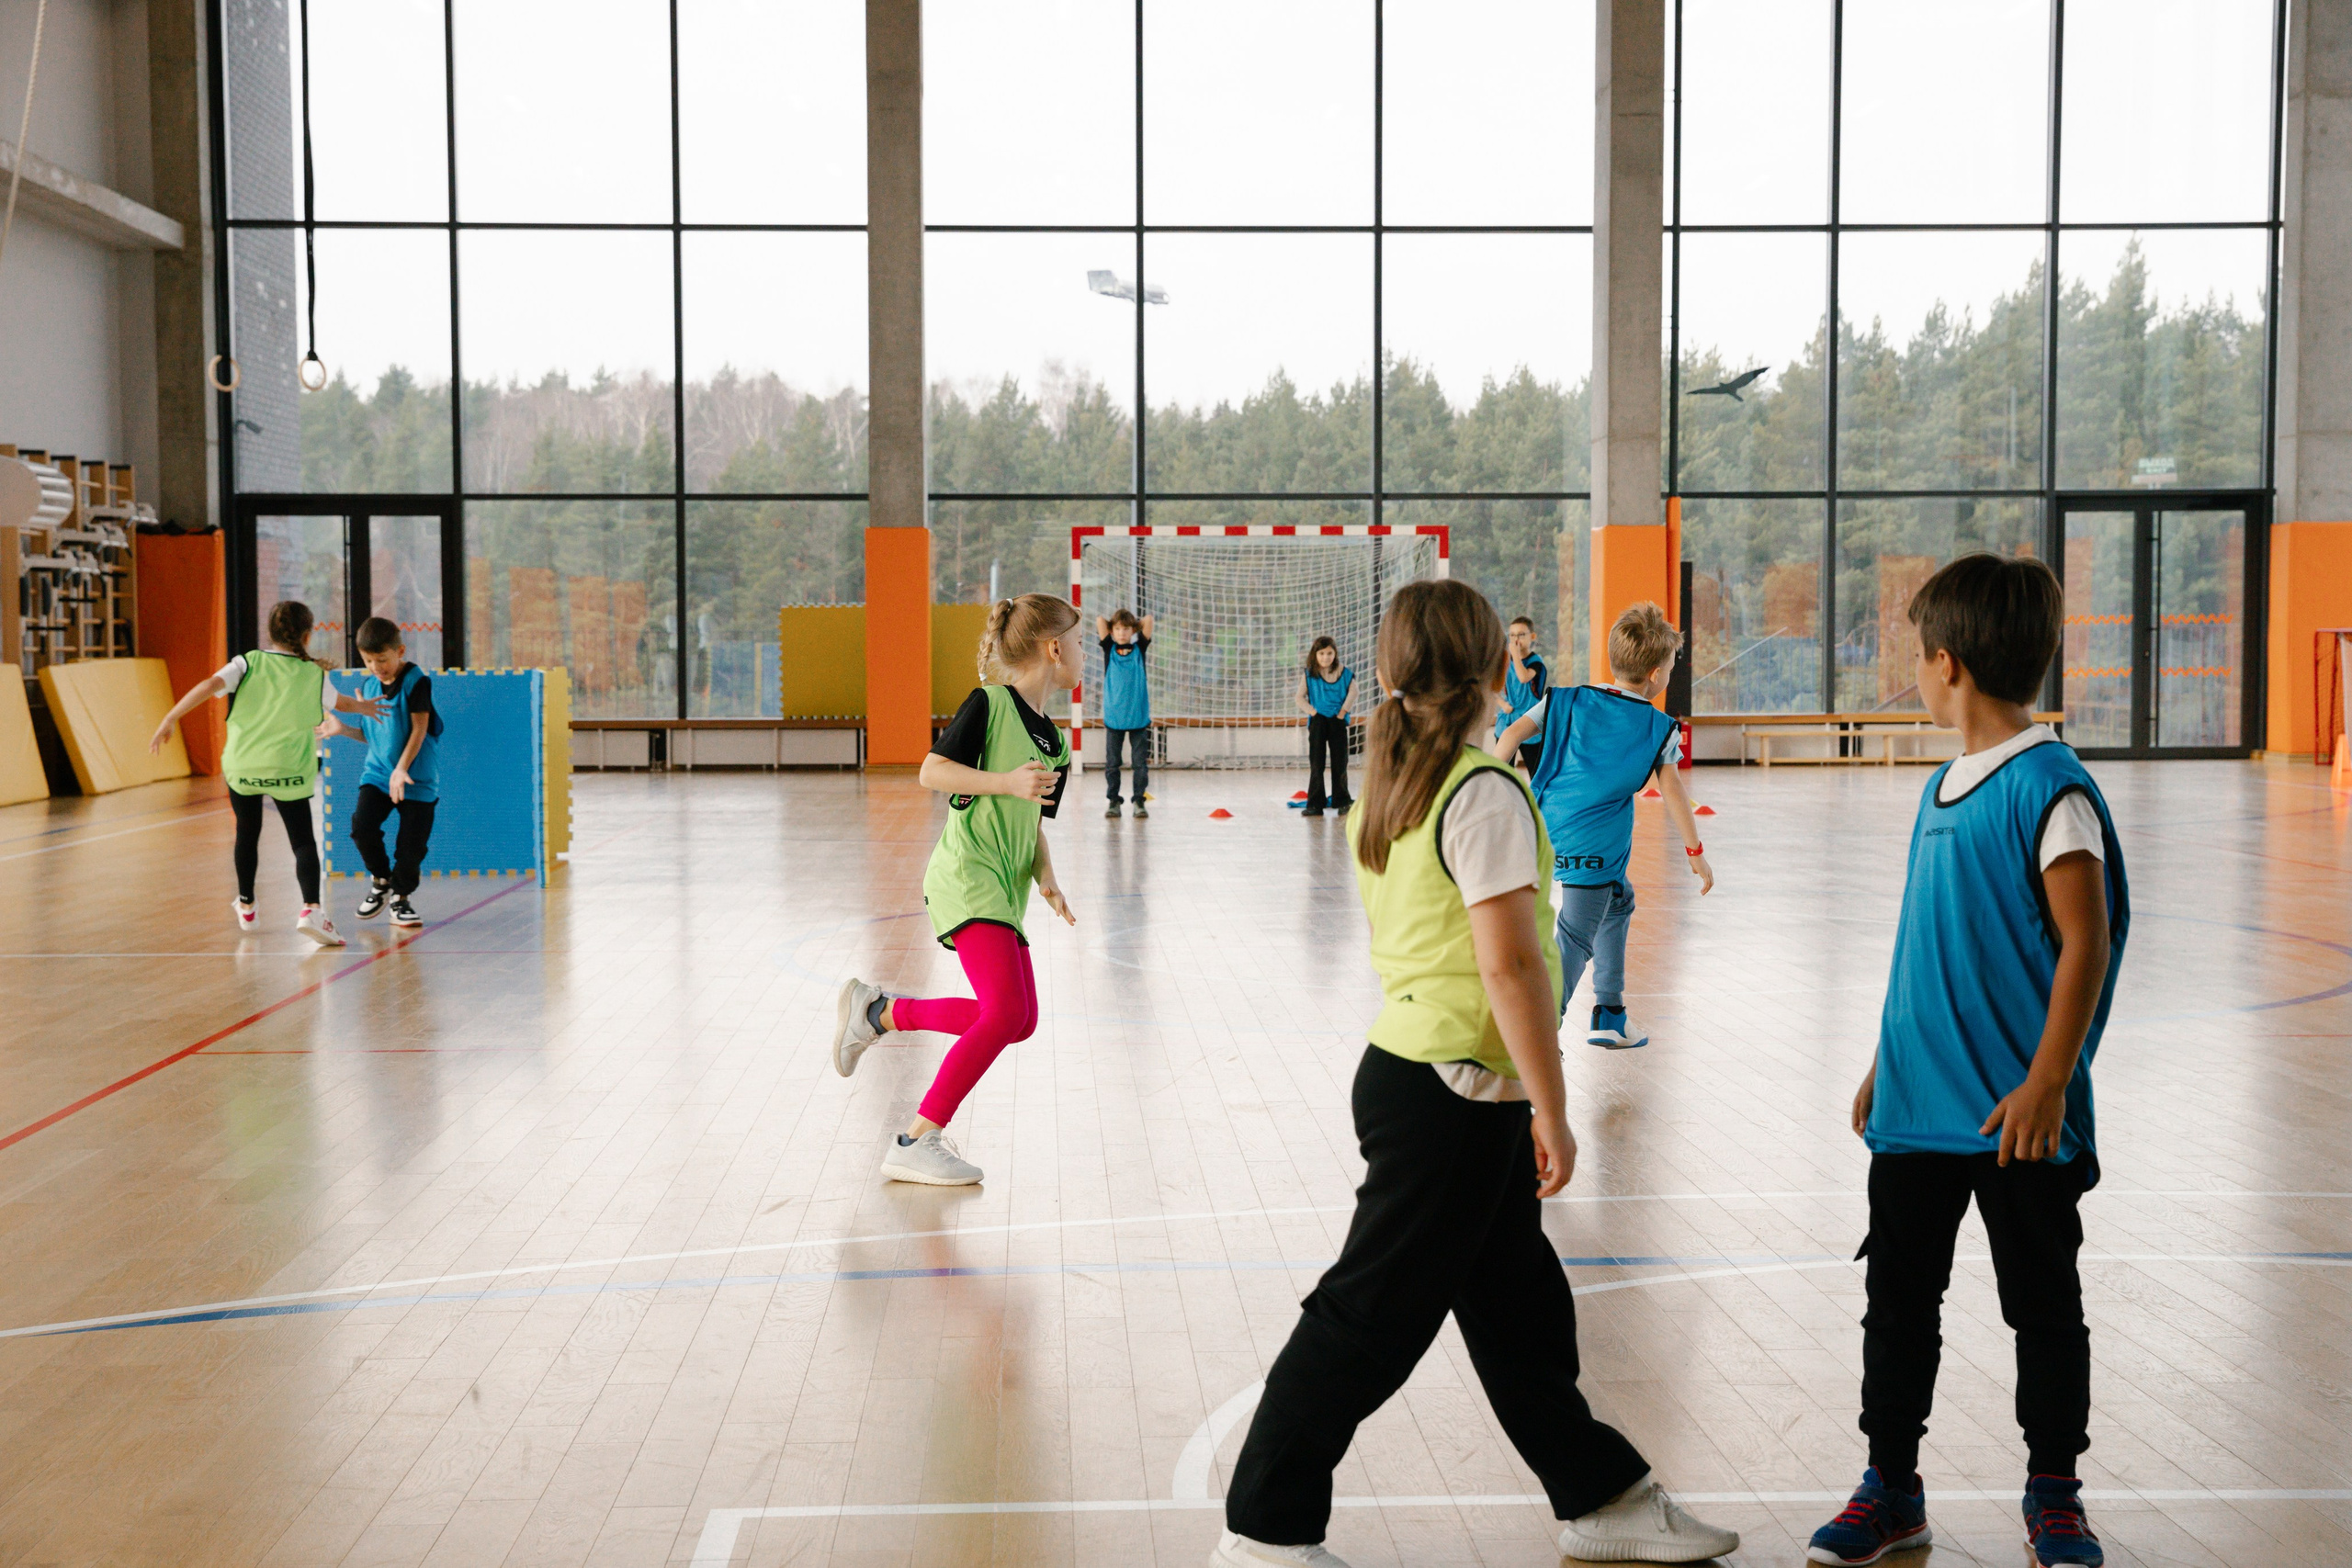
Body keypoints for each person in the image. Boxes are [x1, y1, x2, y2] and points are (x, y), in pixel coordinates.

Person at [1211, 580, 1737, 1568]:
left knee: (1518, 1308)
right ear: (1498, 669)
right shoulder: (1479, 790)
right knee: (1369, 1315)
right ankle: (1265, 1530)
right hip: (1448, 1087)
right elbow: (1510, 965)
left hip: (1430, 1076)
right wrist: (1554, 1104)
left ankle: (1600, 1494)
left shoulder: (1408, 775)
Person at [1807, 555, 2128, 1568]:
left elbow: (2090, 939)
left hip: (2015, 1114)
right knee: (1899, 1304)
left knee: (2042, 1306)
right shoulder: (1940, 787)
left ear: (1945, 665)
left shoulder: (2049, 789)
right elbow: (1923, 941)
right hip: (1915, 1106)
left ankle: (2054, 1492)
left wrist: (2045, 1080)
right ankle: (1890, 1488)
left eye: (1916, 654)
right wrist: (1881, 1059)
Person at [829, 593, 1080, 1187]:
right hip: (967, 875)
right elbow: (931, 771)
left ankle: (879, 1012)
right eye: (1075, 641)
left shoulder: (1058, 743)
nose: (1080, 654)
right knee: (1004, 1012)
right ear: (1052, 648)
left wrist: (1046, 876)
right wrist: (1003, 782)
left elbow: (1033, 820)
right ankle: (917, 1138)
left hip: (1007, 886)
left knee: (1019, 1020)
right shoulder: (990, 705)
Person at [1489, 602, 1712, 1050]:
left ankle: (1610, 1013)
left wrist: (1490, 797)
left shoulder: (1565, 699)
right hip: (1590, 844)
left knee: (1619, 902)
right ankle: (1535, 1034)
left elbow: (1510, 737)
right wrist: (1696, 854)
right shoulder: (1657, 726)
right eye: (1669, 668)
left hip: (1545, 828)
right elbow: (1673, 794)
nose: (1669, 676)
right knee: (1574, 935)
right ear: (1654, 674)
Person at [148, 599, 383, 947]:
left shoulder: (247, 663)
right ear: (307, 635)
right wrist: (366, 706)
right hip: (289, 768)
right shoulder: (313, 674)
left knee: (247, 832)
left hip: (244, 766)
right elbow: (342, 704)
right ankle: (311, 910)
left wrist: (170, 717)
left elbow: (208, 686)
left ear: (269, 634)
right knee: (302, 841)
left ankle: (246, 905)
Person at [319, 615, 444, 929]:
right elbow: (372, 736)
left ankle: (401, 900)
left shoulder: (416, 681)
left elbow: (419, 728)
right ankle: (381, 881)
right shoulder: (369, 686)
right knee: (362, 827)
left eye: (383, 660)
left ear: (399, 651)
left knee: (411, 847)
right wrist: (343, 729)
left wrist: (402, 770)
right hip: (378, 773)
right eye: (368, 661)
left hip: (416, 777)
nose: (376, 667)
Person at [1095, 608, 1154, 818]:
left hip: (1138, 717)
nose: (1122, 633)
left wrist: (1136, 625)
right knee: (1112, 764)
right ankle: (1113, 801)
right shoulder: (1109, 648)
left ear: (1133, 631)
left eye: (1126, 629)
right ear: (1112, 631)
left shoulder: (1140, 648)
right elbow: (1099, 619)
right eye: (1118, 629)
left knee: (1140, 764)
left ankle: (1139, 801)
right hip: (1114, 718)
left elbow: (1148, 620)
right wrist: (1112, 624)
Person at [1294, 635, 1354, 817]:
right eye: (1321, 653)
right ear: (1315, 654)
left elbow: (1354, 691)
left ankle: (1342, 800)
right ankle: (1315, 803)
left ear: (1335, 654)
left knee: (1340, 762)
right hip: (1318, 721)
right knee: (1317, 763)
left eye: (1329, 653)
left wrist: (1343, 712)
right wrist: (1313, 713)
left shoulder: (1343, 672)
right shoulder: (1309, 674)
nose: (1326, 657)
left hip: (1337, 721)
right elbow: (1299, 697)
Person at [1497, 614, 1548, 773]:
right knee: (1502, 772)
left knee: (1537, 772)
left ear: (1532, 637)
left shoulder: (1536, 662)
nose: (1516, 639)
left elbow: (1523, 677)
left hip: (1530, 723)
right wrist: (1502, 704)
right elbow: (1489, 687)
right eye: (1512, 635)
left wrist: (1516, 656)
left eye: (1521, 634)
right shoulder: (1503, 662)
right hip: (1507, 723)